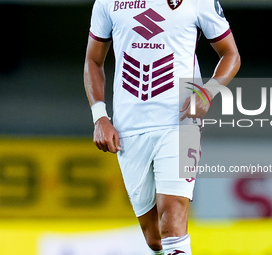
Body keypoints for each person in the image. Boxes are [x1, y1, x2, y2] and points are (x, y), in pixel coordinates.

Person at [84, 0, 240, 254]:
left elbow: (230, 54)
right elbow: (93, 60)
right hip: (129, 126)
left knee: (173, 222)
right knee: (154, 237)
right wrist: (100, 116)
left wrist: (208, 92)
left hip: (181, 121)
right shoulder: (108, 2)